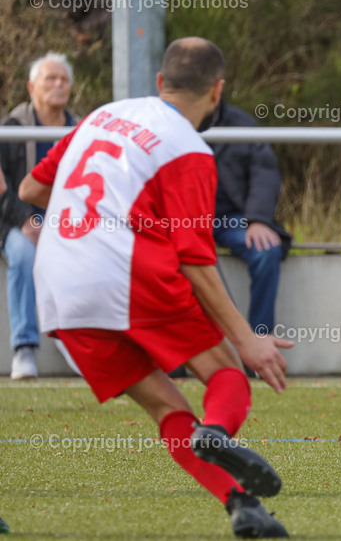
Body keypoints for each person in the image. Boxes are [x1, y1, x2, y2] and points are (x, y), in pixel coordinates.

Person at [19, 38, 293, 538]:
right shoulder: (189, 150)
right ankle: (215, 433)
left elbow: (31, 190)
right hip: (126, 274)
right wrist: (247, 338)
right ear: (217, 92)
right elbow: (195, 259)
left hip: (59, 288)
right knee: (225, 373)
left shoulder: (102, 115)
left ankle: (241, 504)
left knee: (167, 408)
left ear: (161, 82)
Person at [0, 52, 79, 380]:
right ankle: (24, 348)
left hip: (67, 222)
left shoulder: (80, 129)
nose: (58, 84)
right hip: (16, 222)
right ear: (32, 87)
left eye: (64, 79)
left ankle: (75, 339)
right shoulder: (11, 128)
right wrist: (27, 220)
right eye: (51, 79)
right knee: (23, 254)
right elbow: (3, 188)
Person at [208, 97, 292, 335]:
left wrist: (258, 219)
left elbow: (264, 173)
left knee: (267, 251)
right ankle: (186, 351)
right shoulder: (168, 125)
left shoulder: (242, 124)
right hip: (183, 221)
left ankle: (260, 340)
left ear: (217, 88)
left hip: (233, 219)